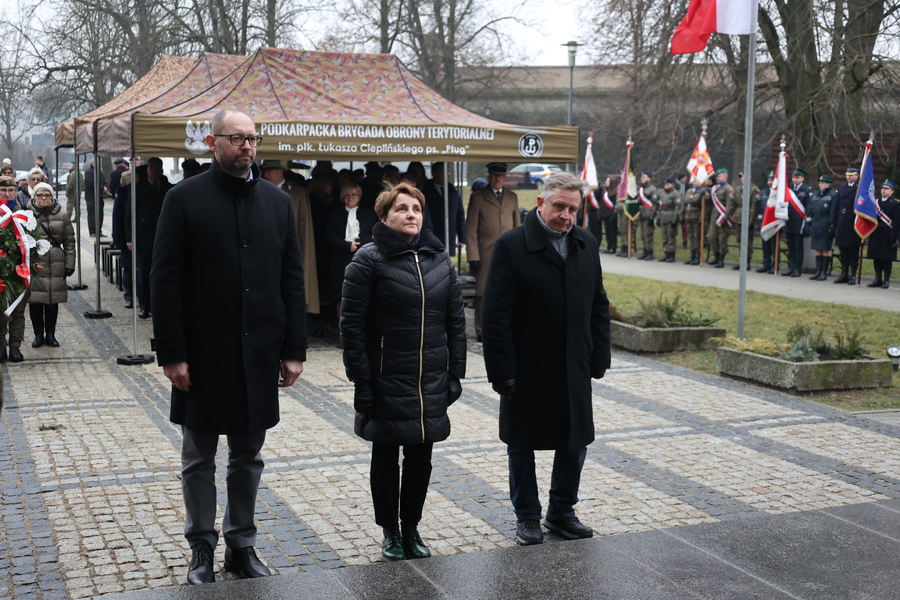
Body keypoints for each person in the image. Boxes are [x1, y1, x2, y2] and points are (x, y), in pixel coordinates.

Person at [150, 109, 307, 585]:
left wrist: (294, 348)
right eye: (237, 138)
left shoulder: (277, 205)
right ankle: (200, 548)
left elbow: (292, 281)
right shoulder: (183, 199)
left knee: (248, 454)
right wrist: (172, 352)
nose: (247, 146)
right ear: (212, 142)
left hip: (258, 352)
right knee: (198, 455)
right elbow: (165, 281)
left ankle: (242, 545)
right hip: (202, 354)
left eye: (252, 139)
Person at [481, 172, 611, 546]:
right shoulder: (512, 246)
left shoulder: (585, 243)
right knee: (522, 444)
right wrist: (501, 371)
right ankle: (527, 516)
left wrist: (599, 353)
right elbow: (496, 316)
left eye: (573, 209)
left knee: (574, 442)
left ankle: (562, 512)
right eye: (559, 206)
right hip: (527, 369)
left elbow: (598, 305)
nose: (566, 216)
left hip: (574, 366)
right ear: (540, 203)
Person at [340, 182, 466, 562]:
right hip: (385, 378)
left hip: (429, 379)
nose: (411, 214)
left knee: (420, 458)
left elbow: (455, 321)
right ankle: (390, 532)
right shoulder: (369, 260)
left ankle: (411, 527)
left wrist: (455, 373)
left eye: (416, 208)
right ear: (383, 216)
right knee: (385, 456)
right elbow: (352, 327)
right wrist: (362, 381)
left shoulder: (439, 259)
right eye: (401, 208)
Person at [465, 162, 520, 342]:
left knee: (508, 290)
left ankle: (506, 324)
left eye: (501, 176)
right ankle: (481, 329)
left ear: (505, 178)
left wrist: (519, 252)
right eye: (494, 175)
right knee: (482, 293)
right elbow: (471, 229)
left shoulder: (512, 197)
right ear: (489, 176)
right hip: (485, 252)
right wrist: (473, 256)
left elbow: (517, 226)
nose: (498, 179)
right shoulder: (478, 197)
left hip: (509, 253)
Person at [260, 159, 320, 317]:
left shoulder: (297, 192)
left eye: (270, 171)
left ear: (281, 171)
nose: (266, 174)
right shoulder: (256, 189)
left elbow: (303, 227)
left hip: (287, 250)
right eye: (265, 171)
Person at [27, 183, 75, 348]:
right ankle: (38, 334)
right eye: (40, 195)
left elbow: (69, 241)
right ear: (34, 196)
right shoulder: (27, 216)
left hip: (56, 261)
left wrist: (70, 264)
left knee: (53, 301)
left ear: (52, 196)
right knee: (35, 300)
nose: (44, 198)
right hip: (35, 262)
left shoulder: (62, 215)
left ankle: (51, 334)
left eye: (47, 195)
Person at [125, 158, 172, 319]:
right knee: (143, 274)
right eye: (151, 168)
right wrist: (129, 238)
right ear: (147, 170)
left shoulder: (167, 188)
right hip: (144, 238)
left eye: (157, 168)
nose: (154, 171)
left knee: (163, 274)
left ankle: (160, 305)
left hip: (163, 238)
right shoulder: (138, 188)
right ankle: (144, 305)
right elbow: (129, 214)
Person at [325, 184, 377, 321]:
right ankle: (342, 329)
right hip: (341, 258)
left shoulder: (368, 214)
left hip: (363, 257)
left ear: (359, 197)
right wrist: (346, 245)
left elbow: (374, 234)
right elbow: (329, 235)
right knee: (341, 295)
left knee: (363, 293)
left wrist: (358, 244)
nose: (350, 198)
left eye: (353, 195)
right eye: (347, 195)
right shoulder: (335, 214)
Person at [0, 176, 26, 362]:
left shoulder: (23, 214)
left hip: (18, 270)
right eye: (3, 191)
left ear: (16, 192)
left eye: (11, 191)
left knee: (17, 311)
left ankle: (15, 347)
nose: (7, 194)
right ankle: (0, 347)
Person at [424, 162, 466, 257]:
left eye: (446, 172)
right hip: (433, 235)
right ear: (434, 174)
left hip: (449, 236)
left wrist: (461, 238)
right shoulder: (426, 190)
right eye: (441, 172)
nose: (445, 175)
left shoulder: (451, 190)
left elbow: (460, 214)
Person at [865, 181, 900, 288]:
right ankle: (877, 278)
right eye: (882, 188)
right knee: (877, 257)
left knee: (886, 258)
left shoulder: (895, 204)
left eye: (887, 189)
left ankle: (886, 280)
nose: (883, 190)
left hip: (888, 233)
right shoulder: (876, 202)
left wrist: (894, 237)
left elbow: (897, 222)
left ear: (892, 191)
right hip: (877, 232)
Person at [831, 167, 861, 284]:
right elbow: (836, 205)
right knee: (843, 249)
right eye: (847, 175)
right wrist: (832, 222)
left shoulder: (860, 187)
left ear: (857, 175)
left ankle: (853, 274)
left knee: (853, 249)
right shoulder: (842, 187)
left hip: (853, 220)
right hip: (842, 220)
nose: (849, 177)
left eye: (851, 175)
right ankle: (844, 273)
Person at [806, 174, 838, 280]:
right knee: (817, 248)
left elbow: (833, 212)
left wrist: (832, 225)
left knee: (826, 248)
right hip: (816, 224)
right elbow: (810, 209)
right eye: (820, 182)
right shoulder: (816, 194)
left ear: (829, 184)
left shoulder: (833, 195)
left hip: (826, 225)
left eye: (823, 183)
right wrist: (809, 223)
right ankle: (818, 271)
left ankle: (824, 272)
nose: (820, 184)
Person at [727, 171, 760, 270]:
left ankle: (747, 261)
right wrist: (728, 216)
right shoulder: (737, 189)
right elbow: (733, 204)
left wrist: (751, 220)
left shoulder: (754, 189)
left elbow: (754, 206)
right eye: (741, 177)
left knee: (748, 240)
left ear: (750, 177)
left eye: (744, 176)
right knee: (739, 240)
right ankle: (742, 261)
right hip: (738, 216)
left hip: (748, 215)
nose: (742, 178)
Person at [783, 168, 811, 277]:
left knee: (798, 247)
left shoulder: (806, 190)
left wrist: (807, 222)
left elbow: (808, 207)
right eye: (794, 177)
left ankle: (797, 269)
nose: (795, 180)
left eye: (797, 178)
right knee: (790, 246)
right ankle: (791, 266)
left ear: (802, 179)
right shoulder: (788, 188)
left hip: (800, 222)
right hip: (789, 221)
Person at [706, 168, 733, 268]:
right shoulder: (715, 188)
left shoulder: (728, 189)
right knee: (712, 237)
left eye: (719, 176)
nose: (717, 178)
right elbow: (710, 201)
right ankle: (716, 256)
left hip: (723, 216)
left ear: (725, 177)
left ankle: (721, 258)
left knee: (722, 239)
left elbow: (730, 205)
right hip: (714, 216)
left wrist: (726, 218)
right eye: (717, 176)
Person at [680, 176, 708, 265]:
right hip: (688, 216)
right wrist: (681, 215)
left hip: (696, 216)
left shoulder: (702, 192)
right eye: (694, 181)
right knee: (691, 236)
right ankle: (692, 255)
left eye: (697, 181)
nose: (695, 182)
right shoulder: (689, 191)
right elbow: (685, 201)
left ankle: (697, 255)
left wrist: (692, 199)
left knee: (697, 237)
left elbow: (696, 200)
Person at [655, 177, 681, 262]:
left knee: (671, 237)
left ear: (672, 184)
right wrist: (658, 218)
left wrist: (675, 220)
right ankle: (666, 253)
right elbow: (660, 206)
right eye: (665, 185)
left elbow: (677, 207)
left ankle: (671, 254)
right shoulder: (663, 194)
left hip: (671, 217)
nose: (666, 186)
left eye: (668, 184)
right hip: (663, 217)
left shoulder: (676, 194)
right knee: (664, 237)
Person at [756, 170, 776, 273]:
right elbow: (760, 206)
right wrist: (759, 219)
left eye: (772, 180)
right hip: (764, 222)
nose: (770, 182)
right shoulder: (764, 192)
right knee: (765, 244)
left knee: (773, 245)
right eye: (769, 180)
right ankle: (766, 264)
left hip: (774, 223)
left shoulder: (778, 192)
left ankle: (774, 265)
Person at [636, 171, 658, 260]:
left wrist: (652, 217)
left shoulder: (652, 189)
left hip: (649, 215)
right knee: (643, 235)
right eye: (641, 177)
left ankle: (649, 252)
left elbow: (655, 204)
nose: (642, 179)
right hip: (642, 215)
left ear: (649, 178)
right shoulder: (641, 189)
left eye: (644, 177)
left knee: (648, 235)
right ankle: (645, 251)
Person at [83, 160, 107, 237]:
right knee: (92, 214)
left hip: (99, 197)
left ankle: (98, 230)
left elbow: (105, 180)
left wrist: (106, 186)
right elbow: (91, 182)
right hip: (91, 197)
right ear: (93, 163)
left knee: (100, 214)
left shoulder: (100, 172)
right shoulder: (88, 172)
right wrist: (101, 188)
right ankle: (92, 231)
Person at [598, 175, 619, 253]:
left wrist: (613, 214)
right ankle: (609, 246)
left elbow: (614, 204)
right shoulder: (605, 192)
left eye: (608, 181)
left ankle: (613, 247)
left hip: (611, 215)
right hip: (605, 215)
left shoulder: (614, 192)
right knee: (607, 231)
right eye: (606, 181)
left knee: (612, 231)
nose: (606, 182)